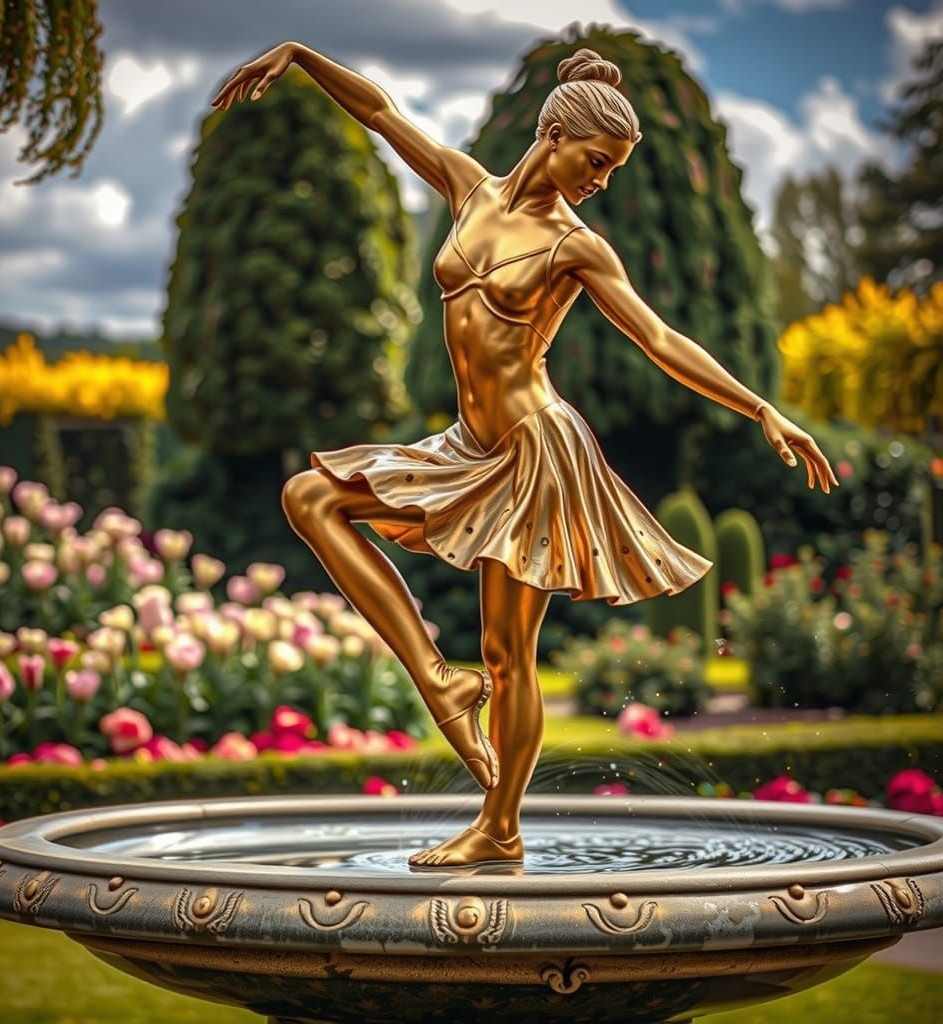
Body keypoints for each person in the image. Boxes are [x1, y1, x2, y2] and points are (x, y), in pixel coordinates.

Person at [212, 42, 840, 870]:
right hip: (467, 445)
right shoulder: (467, 187)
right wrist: (300, 57)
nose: (602, 180)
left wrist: (762, 408)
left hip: (537, 450)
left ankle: (499, 826)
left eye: (612, 169)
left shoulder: (576, 246)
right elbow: (381, 111)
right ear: (553, 133)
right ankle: (439, 680)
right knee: (311, 497)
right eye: (597, 160)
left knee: (511, 657)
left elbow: (657, 338)